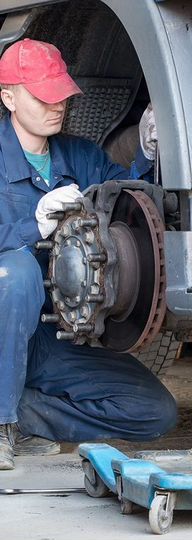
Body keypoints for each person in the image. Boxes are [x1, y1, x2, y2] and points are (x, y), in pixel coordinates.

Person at [0, 38, 177, 471]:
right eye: (43, 95)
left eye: (61, 92)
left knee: (154, 411)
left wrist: (149, 156)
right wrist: (32, 227)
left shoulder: (79, 155)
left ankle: (22, 413)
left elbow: (134, 204)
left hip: (49, 337)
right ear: (8, 97)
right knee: (18, 270)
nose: (56, 104)